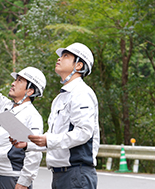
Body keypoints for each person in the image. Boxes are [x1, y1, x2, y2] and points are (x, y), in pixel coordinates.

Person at [11, 42, 100, 189]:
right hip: (60, 175)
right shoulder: (60, 98)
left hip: (77, 174)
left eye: (66, 56)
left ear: (78, 65)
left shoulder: (82, 93)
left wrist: (47, 140)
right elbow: (54, 137)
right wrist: (28, 144)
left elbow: (84, 132)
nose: (59, 59)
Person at [0, 42, 46, 189]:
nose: (13, 83)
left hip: (14, 178)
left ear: (30, 91)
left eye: (19, 81)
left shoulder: (32, 116)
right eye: (15, 79)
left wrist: (24, 182)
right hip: (0, 175)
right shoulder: (5, 106)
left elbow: (35, 151)